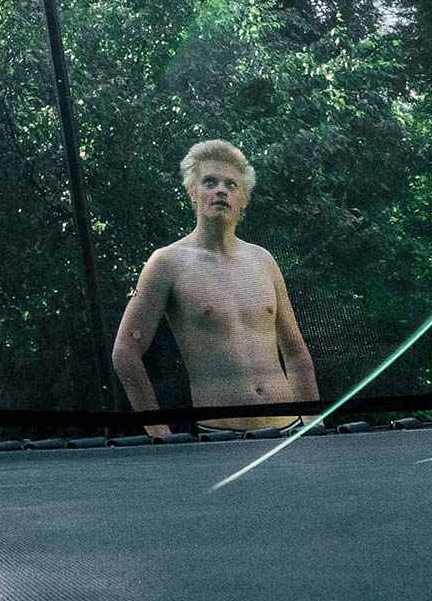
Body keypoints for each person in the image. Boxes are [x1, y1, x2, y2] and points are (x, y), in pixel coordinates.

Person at [110, 139, 318, 434]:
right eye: (210, 182)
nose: (221, 190)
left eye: (231, 184)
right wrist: (159, 434)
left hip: (289, 429)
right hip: (220, 436)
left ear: (244, 198)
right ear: (193, 193)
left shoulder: (263, 260)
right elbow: (125, 352)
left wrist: (313, 423)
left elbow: (296, 353)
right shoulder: (167, 262)